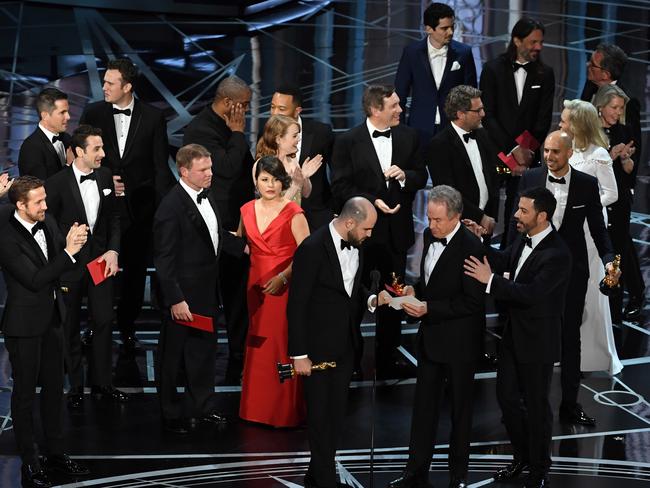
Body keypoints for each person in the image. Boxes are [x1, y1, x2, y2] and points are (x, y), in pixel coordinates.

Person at [464, 187, 572, 488]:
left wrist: (491, 282)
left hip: (538, 341)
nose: (515, 215)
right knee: (507, 399)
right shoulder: (522, 241)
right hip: (513, 336)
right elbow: (501, 261)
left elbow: (532, 295)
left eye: (523, 211)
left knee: (537, 406)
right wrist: (480, 240)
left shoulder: (558, 254)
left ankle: (539, 469)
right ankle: (521, 456)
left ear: (543, 216)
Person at [511, 131, 616, 426]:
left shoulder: (586, 184)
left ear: (570, 153)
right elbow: (514, 222)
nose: (549, 157)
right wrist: (509, 264)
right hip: (532, 269)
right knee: (527, 333)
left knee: (570, 338)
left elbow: (598, 228)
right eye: (546, 151)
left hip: (572, 272)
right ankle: (523, 399)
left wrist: (609, 260)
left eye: (555, 151)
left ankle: (570, 405)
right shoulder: (531, 177)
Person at [388, 186, 486, 488]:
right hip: (431, 338)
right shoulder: (430, 236)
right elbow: (425, 280)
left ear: (456, 216)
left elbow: (472, 302)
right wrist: (415, 292)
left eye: (438, 220)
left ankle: (458, 476)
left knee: (460, 412)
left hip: (461, 342)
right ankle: (415, 470)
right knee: (423, 409)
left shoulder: (472, 247)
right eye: (429, 219)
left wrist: (430, 308)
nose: (431, 226)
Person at [288, 196, 388, 488]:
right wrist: (299, 354)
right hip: (315, 349)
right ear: (349, 222)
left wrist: (372, 299)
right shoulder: (311, 249)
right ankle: (325, 480)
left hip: (345, 346)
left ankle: (315, 475)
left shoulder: (357, 245)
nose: (370, 235)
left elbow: (350, 291)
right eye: (367, 229)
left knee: (333, 417)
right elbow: (297, 304)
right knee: (319, 419)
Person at [330, 84, 427, 378]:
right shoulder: (348, 141)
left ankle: (387, 360)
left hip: (395, 236)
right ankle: (350, 360)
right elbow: (340, 187)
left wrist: (405, 176)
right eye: (394, 105)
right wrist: (373, 202)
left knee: (394, 298)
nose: (400, 109)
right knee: (355, 300)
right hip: (361, 237)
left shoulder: (409, 136)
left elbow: (421, 175)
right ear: (376, 110)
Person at [0, 176, 90, 488]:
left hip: (53, 319)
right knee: (24, 396)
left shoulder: (48, 220)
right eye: (38, 201)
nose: (45, 206)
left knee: (55, 390)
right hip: (23, 326)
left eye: (44, 199)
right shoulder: (6, 237)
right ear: (20, 204)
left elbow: (58, 267)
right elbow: (36, 279)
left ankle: (57, 453)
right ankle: (30, 460)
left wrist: (72, 251)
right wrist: (68, 251)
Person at [79, 58, 174, 352]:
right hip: (101, 209)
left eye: (110, 83)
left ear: (128, 86)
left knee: (133, 273)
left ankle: (128, 327)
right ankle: (95, 327)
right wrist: (105, 182)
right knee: (97, 269)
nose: (104, 86)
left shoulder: (154, 117)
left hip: (140, 210)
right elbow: (81, 161)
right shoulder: (93, 112)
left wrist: (162, 212)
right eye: (105, 82)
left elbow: (159, 167)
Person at [153, 144, 246, 434]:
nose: (210, 174)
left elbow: (215, 235)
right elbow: (164, 260)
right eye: (203, 170)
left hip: (206, 292)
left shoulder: (208, 196)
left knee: (203, 353)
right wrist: (176, 299)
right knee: (173, 356)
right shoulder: (170, 208)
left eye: (210, 167)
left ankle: (203, 406)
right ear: (184, 171)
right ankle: (169, 413)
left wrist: (245, 247)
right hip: (182, 297)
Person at [44, 125, 129, 410]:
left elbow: (114, 219)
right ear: (79, 151)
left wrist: (114, 250)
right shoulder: (55, 183)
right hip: (69, 266)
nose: (103, 154)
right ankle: (76, 386)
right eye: (97, 149)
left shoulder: (105, 176)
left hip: (100, 262)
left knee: (104, 320)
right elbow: (49, 226)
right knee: (68, 327)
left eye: (103, 147)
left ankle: (103, 382)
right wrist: (64, 247)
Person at [182, 75, 254, 384]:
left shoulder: (228, 127)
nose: (247, 112)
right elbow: (224, 168)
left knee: (238, 294)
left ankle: (239, 352)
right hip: (213, 226)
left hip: (236, 222)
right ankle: (199, 358)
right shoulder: (200, 130)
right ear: (228, 103)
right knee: (209, 295)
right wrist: (238, 134)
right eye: (244, 106)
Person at [238, 156, 310, 427]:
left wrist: (283, 277)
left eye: (276, 179)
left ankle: (282, 412)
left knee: (281, 344)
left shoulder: (294, 213)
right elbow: (243, 244)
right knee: (257, 345)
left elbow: (307, 255)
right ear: (256, 182)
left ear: (284, 182)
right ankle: (254, 409)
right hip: (255, 289)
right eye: (265, 179)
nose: (270, 185)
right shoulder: (246, 209)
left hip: (284, 290)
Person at [559, 100, 623, 376]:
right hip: (567, 230)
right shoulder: (566, 151)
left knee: (589, 293)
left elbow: (612, 193)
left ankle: (594, 356)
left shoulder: (599, 155)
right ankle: (568, 350)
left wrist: (585, 203)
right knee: (568, 290)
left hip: (590, 230)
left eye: (564, 121)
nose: (561, 125)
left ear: (577, 124)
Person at [479, 17, 554, 246]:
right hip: (496, 155)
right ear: (517, 40)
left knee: (521, 209)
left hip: (527, 159)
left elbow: (543, 120)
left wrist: (525, 152)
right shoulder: (492, 69)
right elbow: (487, 115)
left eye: (540, 42)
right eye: (533, 42)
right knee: (488, 206)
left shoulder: (545, 73)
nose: (538, 47)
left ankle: (513, 259)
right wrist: (512, 150)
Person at [593, 84, 645, 322]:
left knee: (618, 255)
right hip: (598, 200)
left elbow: (628, 170)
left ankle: (614, 309)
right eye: (613, 107)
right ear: (601, 106)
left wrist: (625, 160)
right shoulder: (590, 132)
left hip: (620, 202)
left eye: (620, 108)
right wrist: (610, 155)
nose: (617, 112)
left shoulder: (624, 132)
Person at [394, 2, 477, 144]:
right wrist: (401, 129)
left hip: (454, 129)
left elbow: (471, 94)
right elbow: (400, 92)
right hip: (419, 128)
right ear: (428, 29)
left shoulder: (464, 53)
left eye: (452, 27)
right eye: (444, 28)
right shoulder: (412, 53)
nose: (450, 32)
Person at [426, 85, 498, 238]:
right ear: (460, 114)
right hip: (459, 226)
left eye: (482, 109)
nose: (483, 114)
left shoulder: (482, 135)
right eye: (477, 110)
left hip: (487, 224)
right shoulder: (439, 145)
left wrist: (510, 170)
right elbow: (449, 194)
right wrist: (479, 217)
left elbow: (494, 171)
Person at [270, 84, 335, 230]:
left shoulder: (321, 133)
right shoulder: (267, 135)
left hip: (316, 217)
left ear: (297, 111)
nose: (274, 113)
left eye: (281, 109)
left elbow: (338, 173)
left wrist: (336, 210)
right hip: (279, 219)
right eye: (272, 107)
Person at [580, 43, 642, 175]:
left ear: (605, 74)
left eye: (592, 64)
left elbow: (633, 148)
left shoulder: (628, 103)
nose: (587, 65)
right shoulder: (590, 86)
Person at [255, 114, 323, 205]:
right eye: (294, 136)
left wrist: (305, 177)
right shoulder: (262, 165)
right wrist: (295, 185)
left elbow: (305, 194)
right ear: (278, 139)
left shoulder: (293, 161)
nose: (299, 139)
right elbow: (274, 207)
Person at [18, 87, 71, 179]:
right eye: (62, 112)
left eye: (67, 111)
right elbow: (40, 189)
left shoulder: (67, 138)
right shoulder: (31, 148)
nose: (68, 117)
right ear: (45, 115)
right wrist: (68, 166)